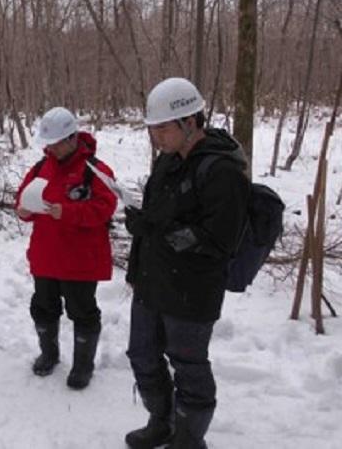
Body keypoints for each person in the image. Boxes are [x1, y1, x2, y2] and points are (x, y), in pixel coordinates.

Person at [123, 78, 250, 449]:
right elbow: (157, 218)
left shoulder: (221, 171)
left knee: (188, 365)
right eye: (153, 129)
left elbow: (217, 239)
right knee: (142, 354)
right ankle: (160, 421)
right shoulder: (166, 162)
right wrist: (141, 238)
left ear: (190, 122)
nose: (156, 137)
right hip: (152, 281)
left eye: (162, 128)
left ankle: (189, 438)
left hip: (192, 290)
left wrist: (159, 232)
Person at [15, 107, 117, 390]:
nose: (50, 148)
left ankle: (83, 365)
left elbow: (106, 208)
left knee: (82, 312)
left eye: (56, 142)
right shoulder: (40, 168)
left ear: (72, 138)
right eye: (48, 143)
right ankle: (49, 354)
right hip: (46, 257)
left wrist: (69, 212)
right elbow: (23, 199)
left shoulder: (96, 170)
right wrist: (23, 211)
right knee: (43, 308)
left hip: (81, 262)